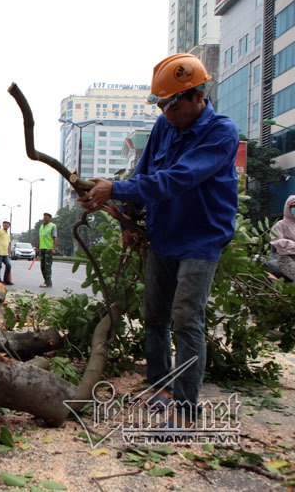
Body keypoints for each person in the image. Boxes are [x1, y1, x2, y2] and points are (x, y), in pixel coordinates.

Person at [79, 53, 239, 427]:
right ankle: (160, 388)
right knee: (155, 316)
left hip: (201, 238)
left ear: (197, 96)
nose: (166, 113)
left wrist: (114, 188)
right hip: (164, 235)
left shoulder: (221, 132)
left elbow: (177, 179)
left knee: (186, 318)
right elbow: (144, 174)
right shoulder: (164, 128)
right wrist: (127, 217)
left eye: (172, 105)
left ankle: (185, 411)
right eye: (161, 106)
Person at [271, 195, 295, 281]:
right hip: (286, 258)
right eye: (293, 207)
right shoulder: (280, 225)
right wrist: (291, 244)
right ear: (288, 208)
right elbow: (275, 240)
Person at [38, 213, 57, 288]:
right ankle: (46, 281)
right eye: (44, 216)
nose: (45, 217)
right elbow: (40, 238)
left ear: (50, 218)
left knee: (47, 267)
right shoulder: (41, 226)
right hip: (42, 248)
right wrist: (37, 248)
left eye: (47, 216)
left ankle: (48, 283)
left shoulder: (52, 226)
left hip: (48, 249)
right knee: (42, 266)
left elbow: (54, 238)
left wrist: (54, 249)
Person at [0, 220, 14, 285]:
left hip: (5, 254)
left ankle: (6, 280)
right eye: (4, 223)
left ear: (9, 226)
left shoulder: (8, 234)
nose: (5, 225)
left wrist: (9, 253)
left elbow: (8, 245)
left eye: (7, 224)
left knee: (8, 265)